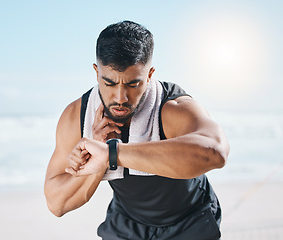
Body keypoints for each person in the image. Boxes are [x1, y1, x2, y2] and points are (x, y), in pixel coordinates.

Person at [44, 20, 229, 240]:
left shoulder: (172, 108)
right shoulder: (77, 116)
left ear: (149, 75)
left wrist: (113, 153)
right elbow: (57, 203)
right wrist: (97, 160)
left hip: (188, 219)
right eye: (110, 83)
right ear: (96, 73)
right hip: (127, 221)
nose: (121, 98)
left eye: (133, 84)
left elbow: (215, 152)